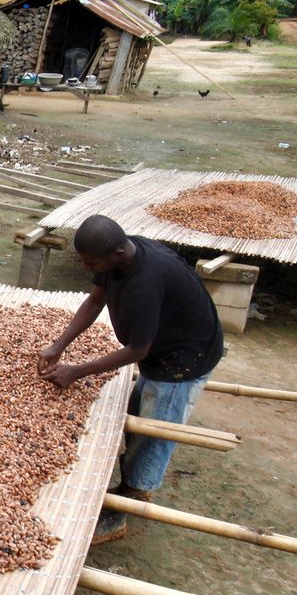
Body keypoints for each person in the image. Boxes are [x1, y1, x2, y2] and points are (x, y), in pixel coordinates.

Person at [37, 215, 224, 545]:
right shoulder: (116, 254)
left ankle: (130, 501)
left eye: (91, 262)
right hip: (164, 346)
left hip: (184, 358)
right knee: (140, 412)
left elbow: (138, 349)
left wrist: (75, 370)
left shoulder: (146, 282)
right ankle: (130, 482)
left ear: (117, 253)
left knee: (156, 429)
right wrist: (59, 345)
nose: (86, 267)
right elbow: (95, 300)